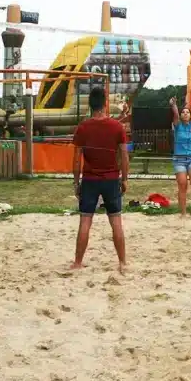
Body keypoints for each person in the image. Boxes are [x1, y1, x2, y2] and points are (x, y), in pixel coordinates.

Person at [71, 86, 129, 273]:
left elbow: (76, 159)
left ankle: (78, 263)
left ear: (89, 104)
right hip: (111, 179)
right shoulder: (117, 127)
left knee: (85, 222)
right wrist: (125, 179)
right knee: (116, 222)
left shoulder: (83, 127)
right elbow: (124, 155)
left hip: (90, 179)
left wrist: (76, 182)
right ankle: (122, 263)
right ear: (105, 103)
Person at [170, 96, 191, 218]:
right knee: (182, 185)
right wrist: (174, 105)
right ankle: (183, 211)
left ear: (190, 115)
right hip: (179, 160)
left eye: (187, 112)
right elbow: (176, 116)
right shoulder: (177, 125)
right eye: (183, 112)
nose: (185, 113)